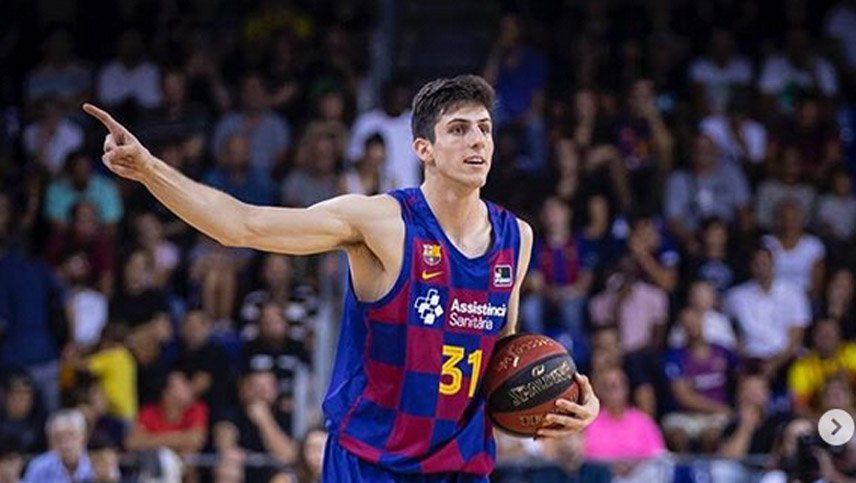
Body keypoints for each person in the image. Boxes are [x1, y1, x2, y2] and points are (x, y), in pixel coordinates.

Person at [83, 73, 599, 481]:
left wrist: (561, 400)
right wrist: (149, 169)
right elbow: (241, 225)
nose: (477, 141)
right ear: (423, 149)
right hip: (371, 463)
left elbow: (502, 355)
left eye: (484, 128)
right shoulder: (380, 222)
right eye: (459, 129)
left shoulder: (516, 237)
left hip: (460, 465)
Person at [23, 409, 94, 482]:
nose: (65, 444)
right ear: (50, 442)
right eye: (58, 438)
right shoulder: (38, 467)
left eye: (71, 436)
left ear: (84, 437)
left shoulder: (95, 464)